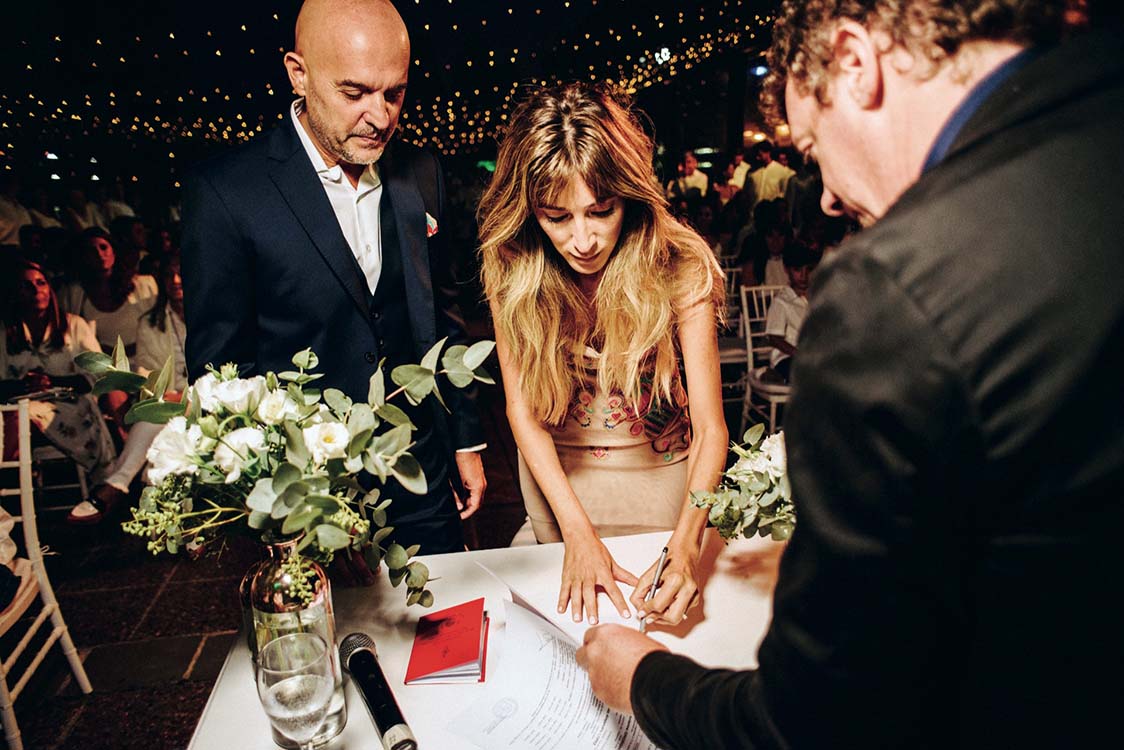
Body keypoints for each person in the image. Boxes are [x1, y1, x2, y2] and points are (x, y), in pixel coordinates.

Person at [577, 2, 1124, 748]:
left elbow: (819, 722)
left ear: (854, 61)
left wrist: (644, 680)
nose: (829, 195)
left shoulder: (896, 290)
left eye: (811, 146)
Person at [181, 0, 486, 555]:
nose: (381, 116)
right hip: (309, 497)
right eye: (355, 93)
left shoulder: (421, 171)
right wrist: (273, 499)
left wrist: (466, 440)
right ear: (298, 74)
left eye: (394, 93)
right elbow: (220, 373)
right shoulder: (226, 192)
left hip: (422, 471)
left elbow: (443, 317)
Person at [478, 83, 728, 627]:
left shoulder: (681, 265)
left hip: (660, 480)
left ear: (628, 197)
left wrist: (687, 544)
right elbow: (521, 413)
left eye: (600, 211)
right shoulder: (511, 269)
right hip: (558, 485)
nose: (583, 240)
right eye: (556, 217)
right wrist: (577, 532)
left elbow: (711, 428)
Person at [65, 252, 188, 525]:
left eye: (182, 272)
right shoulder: (150, 323)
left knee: (156, 416)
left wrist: (185, 396)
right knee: (158, 420)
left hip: (209, 397)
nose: (176, 280)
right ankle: (177, 528)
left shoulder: (215, 316)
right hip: (168, 403)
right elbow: (147, 373)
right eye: (169, 274)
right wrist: (164, 396)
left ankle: (116, 484)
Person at [0, 261, 116, 488]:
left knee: (20, 417)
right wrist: (24, 385)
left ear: (50, 288)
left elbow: (99, 375)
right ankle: (12, 481)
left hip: (69, 407)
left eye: (41, 283)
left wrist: (51, 381)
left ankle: (8, 481)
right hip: (18, 406)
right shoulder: (6, 332)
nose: (36, 291)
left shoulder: (74, 325)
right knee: (15, 415)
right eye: (27, 286)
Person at [761, 241, 819, 385]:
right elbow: (774, 338)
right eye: (798, 270)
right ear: (787, 270)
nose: (804, 276)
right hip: (787, 357)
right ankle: (779, 377)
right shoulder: (782, 301)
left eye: (809, 270)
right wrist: (800, 353)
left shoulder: (818, 298)